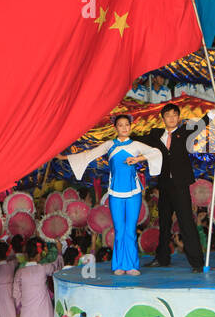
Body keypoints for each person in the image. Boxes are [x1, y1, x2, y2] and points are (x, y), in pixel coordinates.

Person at [66, 114, 162, 275]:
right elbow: (89, 155)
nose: (124, 128)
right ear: (115, 128)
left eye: (127, 125)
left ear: (130, 126)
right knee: (119, 229)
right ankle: (118, 265)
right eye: (121, 125)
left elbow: (156, 153)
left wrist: (138, 159)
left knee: (130, 229)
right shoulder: (109, 145)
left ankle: (132, 265)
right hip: (115, 193)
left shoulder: (136, 145)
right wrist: (66, 157)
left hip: (134, 192)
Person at [137, 103, 205, 272]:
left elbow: (203, 123)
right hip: (164, 185)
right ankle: (162, 258)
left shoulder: (184, 132)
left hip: (180, 185)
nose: (172, 118)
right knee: (164, 223)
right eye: (168, 115)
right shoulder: (156, 135)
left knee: (186, 222)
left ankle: (197, 262)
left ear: (178, 117)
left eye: (175, 115)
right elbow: (138, 141)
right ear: (163, 118)